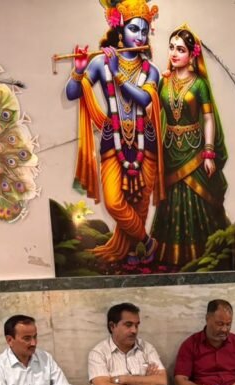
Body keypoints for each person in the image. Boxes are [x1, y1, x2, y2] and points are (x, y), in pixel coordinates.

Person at [65, 0, 162, 263]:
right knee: (114, 202)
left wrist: (118, 74)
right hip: (113, 140)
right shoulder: (101, 63)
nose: (139, 36)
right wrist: (79, 70)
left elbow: (144, 99)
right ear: (120, 29)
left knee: (140, 204)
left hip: (146, 143)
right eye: (134, 29)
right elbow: (72, 93)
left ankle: (132, 251)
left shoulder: (152, 71)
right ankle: (147, 242)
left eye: (144, 30)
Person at [150, 26, 233, 269]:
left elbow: (208, 118)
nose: (174, 53)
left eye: (181, 49)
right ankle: (170, 257)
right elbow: (151, 112)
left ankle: (205, 254)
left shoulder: (199, 84)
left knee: (197, 199)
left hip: (195, 151)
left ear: (192, 54)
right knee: (172, 202)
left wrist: (208, 152)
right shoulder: (163, 81)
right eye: (171, 48)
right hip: (170, 151)